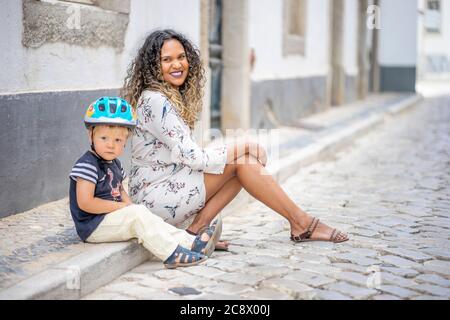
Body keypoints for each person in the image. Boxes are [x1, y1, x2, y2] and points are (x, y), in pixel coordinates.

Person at [122, 29, 349, 246]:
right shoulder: (155, 100)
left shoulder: (164, 97)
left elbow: (186, 156)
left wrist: (240, 151)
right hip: (155, 198)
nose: (177, 64)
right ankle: (301, 222)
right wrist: (244, 145)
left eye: (181, 57)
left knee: (243, 166)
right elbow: (194, 158)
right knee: (243, 163)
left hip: (165, 185)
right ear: (154, 66)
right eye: (167, 60)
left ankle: (199, 229)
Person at [69, 96, 221, 269]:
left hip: (108, 219)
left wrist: (129, 206)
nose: (110, 145)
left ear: (125, 142)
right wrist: (122, 208)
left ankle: (191, 242)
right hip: (92, 226)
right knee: (137, 217)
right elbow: (85, 203)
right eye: (104, 138)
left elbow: (119, 190)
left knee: (142, 213)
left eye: (117, 140)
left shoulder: (114, 164)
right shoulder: (87, 165)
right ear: (91, 136)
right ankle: (171, 254)